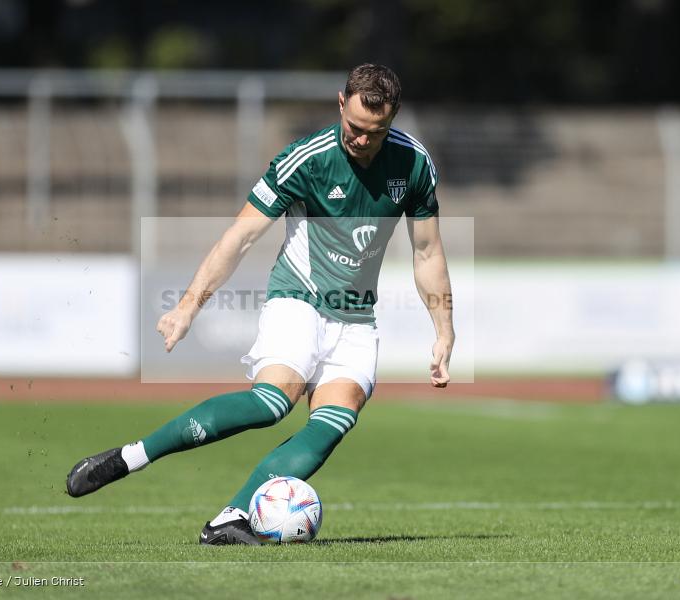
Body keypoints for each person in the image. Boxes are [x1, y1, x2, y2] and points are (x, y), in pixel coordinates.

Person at [66, 63, 454, 545]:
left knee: (335, 419)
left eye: (374, 133)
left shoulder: (414, 164)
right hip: (299, 299)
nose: (361, 140)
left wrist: (443, 330)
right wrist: (189, 306)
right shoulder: (305, 160)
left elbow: (428, 251)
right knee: (273, 402)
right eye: (354, 128)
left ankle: (230, 518)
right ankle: (131, 457)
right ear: (340, 104)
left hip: (356, 316)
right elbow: (241, 237)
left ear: (391, 121)